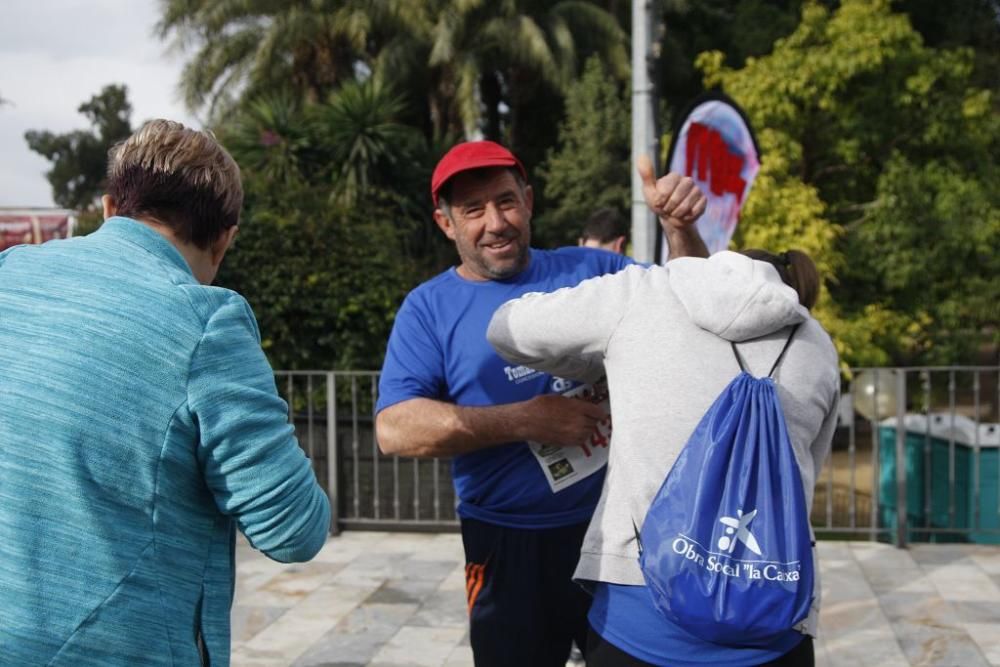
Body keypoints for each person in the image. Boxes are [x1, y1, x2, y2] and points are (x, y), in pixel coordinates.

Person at [0, 119, 331, 666]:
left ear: (109, 208)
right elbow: (294, 529)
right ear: (225, 238)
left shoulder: (11, 272)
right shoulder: (207, 321)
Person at [374, 140, 707, 666]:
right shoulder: (427, 309)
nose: (495, 222)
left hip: (621, 533)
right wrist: (526, 420)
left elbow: (695, 308)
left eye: (505, 201)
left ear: (528, 201)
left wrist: (680, 229)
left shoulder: (595, 271)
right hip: (506, 545)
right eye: (473, 210)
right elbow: (394, 429)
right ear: (446, 224)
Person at [487, 247, 838, 666]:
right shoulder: (818, 344)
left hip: (640, 627)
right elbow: (804, 470)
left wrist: (600, 365)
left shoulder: (642, 293)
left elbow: (506, 328)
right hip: (772, 624)